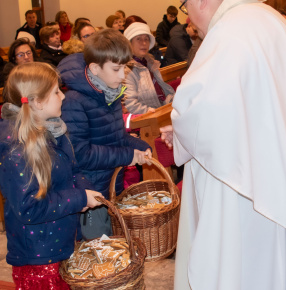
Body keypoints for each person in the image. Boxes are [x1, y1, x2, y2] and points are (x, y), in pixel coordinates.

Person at [160, 0, 286, 289]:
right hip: (284, 174)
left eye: (186, 8)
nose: (191, 21)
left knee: (248, 267)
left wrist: (180, 126)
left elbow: (200, 112)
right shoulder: (270, 19)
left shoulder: (229, 32)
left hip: (247, 188)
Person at [0, 62, 103, 289]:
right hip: (38, 256)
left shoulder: (53, 130)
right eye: (56, 91)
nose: (63, 97)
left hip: (60, 241)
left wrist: (84, 191)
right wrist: (79, 198)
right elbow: (29, 207)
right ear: (37, 102)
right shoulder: (17, 150)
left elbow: (72, 170)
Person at [57, 29, 152, 240]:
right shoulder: (75, 101)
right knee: (96, 250)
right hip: (90, 192)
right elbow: (81, 154)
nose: (122, 75)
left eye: (125, 68)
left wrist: (141, 146)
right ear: (94, 68)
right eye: (116, 68)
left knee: (112, 245)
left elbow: (115, 137)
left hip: (109, 185)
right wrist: (128, 155)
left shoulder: (110, 91)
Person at [123, 20, 174, 114]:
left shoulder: (150, 63)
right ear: (129, 43)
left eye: (146, 39)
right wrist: (152, 112)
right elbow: (130, 105)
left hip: (162, 110)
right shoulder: (126, 70)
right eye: (138, 39)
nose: (144, 43)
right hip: (149, 118)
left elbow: (163, 92)